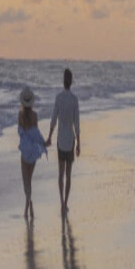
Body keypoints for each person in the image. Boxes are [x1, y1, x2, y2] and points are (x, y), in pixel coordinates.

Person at [45, 68, 80, 214]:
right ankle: (66, 203)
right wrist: (79, 143)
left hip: (60, 140)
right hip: (70, 140)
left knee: (60, 174)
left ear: (63, 80)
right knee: (69, 175)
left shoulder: (58, 98)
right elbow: (76, 123)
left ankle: (61, 203)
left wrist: (49, 137)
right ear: (71, 82)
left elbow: (53, 120)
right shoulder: (74, 99)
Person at [17, 86, 46, 219]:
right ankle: (29, 206)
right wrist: (43, 143)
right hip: (33, 151)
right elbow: (36, 134)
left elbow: (21, 134)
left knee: (26, 181)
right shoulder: (35, 116)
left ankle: (28, 207)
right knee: (30, 180)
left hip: (25, 152)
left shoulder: (20, 115)